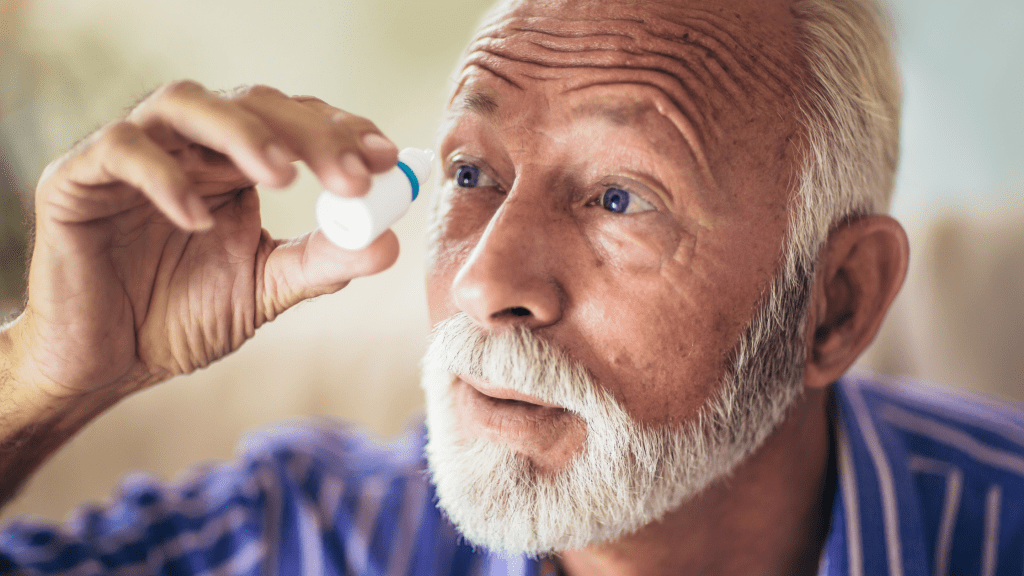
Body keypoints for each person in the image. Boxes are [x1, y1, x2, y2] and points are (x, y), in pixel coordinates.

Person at [0, 0, 1022, 574]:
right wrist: (47, 374)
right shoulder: (307, 537)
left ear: (835, 303)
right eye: (472, 175)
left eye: (620, 197)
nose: (486, 277)